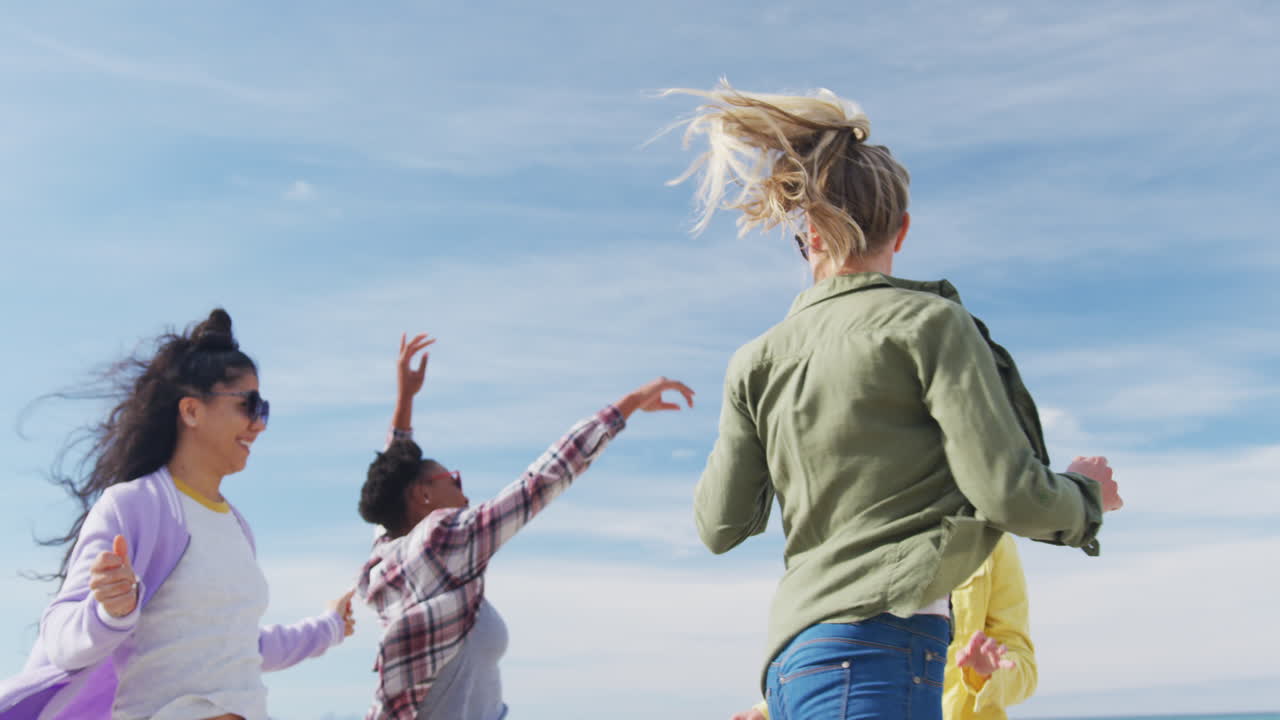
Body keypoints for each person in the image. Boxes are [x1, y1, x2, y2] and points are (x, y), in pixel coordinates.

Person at [666, 81, 1123, 720]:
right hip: (884, 655)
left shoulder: (753, 361)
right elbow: (1008, 494)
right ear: (901, 229)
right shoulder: (928, 324)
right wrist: (1087, 494)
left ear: (809, 234)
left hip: (791, 666)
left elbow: (719, 526)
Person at [0, 309, 355, 720]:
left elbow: (243, 647)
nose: (259, 424)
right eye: (249, 405)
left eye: (264, 409)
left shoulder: (238, 526)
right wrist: (108, 611)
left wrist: (329, 627)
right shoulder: (135, 505)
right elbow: (61, 638)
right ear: (191, 412)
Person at [354, 333, 694, 720]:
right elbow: (540, 482)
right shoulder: (443, 540)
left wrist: (406, 400)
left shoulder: (386, 559)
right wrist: (629, 404)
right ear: (423, 497)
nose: (464, 494)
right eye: (453, 479)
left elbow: (391, 482)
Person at [730, 534, 1037, 720]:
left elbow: (1025, 670)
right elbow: (841, 647)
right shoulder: (866, 538)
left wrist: (985, 674)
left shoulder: (993, 544)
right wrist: (767, 710)